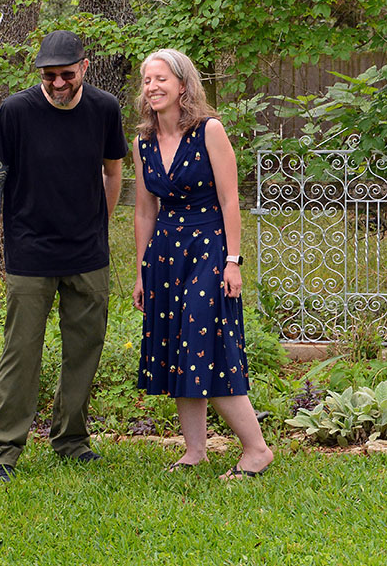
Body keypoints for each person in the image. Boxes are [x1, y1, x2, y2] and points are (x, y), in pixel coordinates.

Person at [0, 30, 128, 485]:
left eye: (66, 74)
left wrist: (98, 225)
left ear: (84, 67)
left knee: (84, 351)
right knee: (21, 355)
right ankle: (2, 451)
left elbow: (113, 171)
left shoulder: (104, 109)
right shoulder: (16, 112)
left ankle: (71, 440)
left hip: (87, 255)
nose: (58, 83)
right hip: (30, 253)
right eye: (49, 75)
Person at [132, 48, 273, 479]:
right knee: (178, 344)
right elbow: (143, 210)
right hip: (165, 255)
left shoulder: (209, 130)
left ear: (182, 85)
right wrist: (141, 269)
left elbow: (231, 200)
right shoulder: (142, 141)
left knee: (204, 340)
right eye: (146, 80)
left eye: (161, 79)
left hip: (209, 248)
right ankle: (195, 451)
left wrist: (233, 260)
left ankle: (256, 450)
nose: (152, 87)